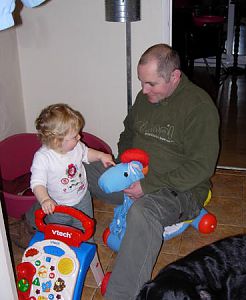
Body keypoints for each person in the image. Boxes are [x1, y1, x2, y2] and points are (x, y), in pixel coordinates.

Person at [85, 43, 220, 299]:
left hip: (181, 190)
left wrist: (146, 186)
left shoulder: (199, 108)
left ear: (174, 77)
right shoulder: (144, 98)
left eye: (151, 84)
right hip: (133, 178)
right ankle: (47, 222)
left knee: (143, 211)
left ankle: (121, 295)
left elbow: (201, 167)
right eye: (141, 82)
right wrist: (123, 165)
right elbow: (128, 133)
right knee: (79, 168)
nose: (144, 90)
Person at [25, 103, 115, 237]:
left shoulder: (77, 146)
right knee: (60, 233)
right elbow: (37, 183)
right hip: (57, 206)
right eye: (74, 136)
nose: (79, 137)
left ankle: (85, 249)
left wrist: (100, 156)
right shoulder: (43, 157)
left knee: (85, 230)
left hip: (82, 198)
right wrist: (44, 199)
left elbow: (86, 153)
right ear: (57, 141)